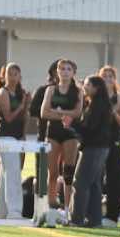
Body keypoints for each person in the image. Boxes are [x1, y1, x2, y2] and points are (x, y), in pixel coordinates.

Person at [74, 74, 119, 227]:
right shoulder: (101, 104)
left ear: (96, 88)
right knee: (94, 184)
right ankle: (95, 220)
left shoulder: (97, 105)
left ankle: (77, 219)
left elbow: (90, 128)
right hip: (101, 148)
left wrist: (72, 124)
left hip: (93, 148)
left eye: (88, 85)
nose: (84, 87)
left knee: (81, 182)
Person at [40, 60, 82, 220]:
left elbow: (77, 113)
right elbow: (44, 113)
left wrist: (58, 111)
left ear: (73, 73)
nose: (65, 72)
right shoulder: (51, 90)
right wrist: (64, 115)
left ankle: (67, 208)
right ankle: (50, 205)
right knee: (52, 172)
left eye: (68, 69)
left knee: (68, 172)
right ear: (57, 71)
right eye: (62, 69)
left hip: (70, 134)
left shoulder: (78, 91)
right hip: (53, 132)